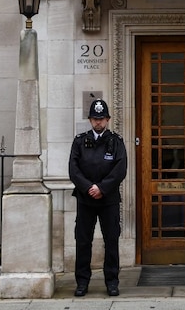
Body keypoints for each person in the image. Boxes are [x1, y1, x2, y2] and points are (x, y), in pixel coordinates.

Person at [68, 98, 128, 297]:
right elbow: (73, 170)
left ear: (108, 119)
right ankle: (82, 282)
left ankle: (112, 281)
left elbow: (120, 169)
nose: (98, 122)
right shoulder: (79, 141)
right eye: (95, 119)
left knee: (111, 240)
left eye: (101, 119)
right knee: (83, 241)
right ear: (90, 119)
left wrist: (102, 188)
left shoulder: (116, 141)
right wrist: (89, 188)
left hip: (108, 200)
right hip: (86, 200)